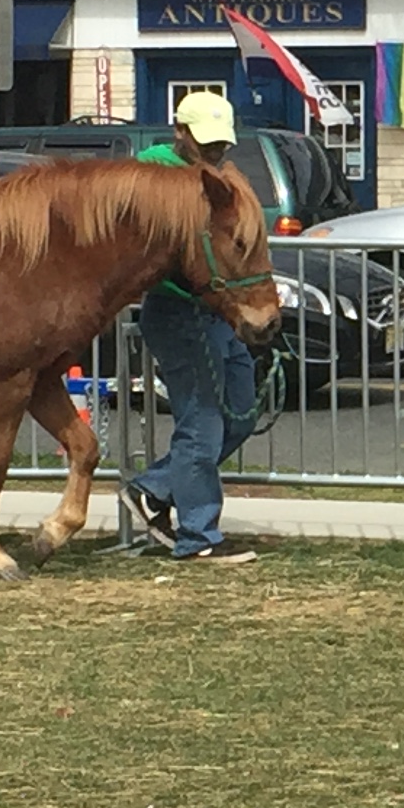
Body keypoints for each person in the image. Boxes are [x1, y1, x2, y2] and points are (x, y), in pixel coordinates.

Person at [125, 88, 262, 565]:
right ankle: (197, 533)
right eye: (206, 143)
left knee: (241, 412)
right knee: (201, 421)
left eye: (221, 144)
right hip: (180, 310)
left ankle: (155, 487)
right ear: (179, 132)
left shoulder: (216, 176)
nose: (216, 152)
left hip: (217, 311)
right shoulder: (155, 173)